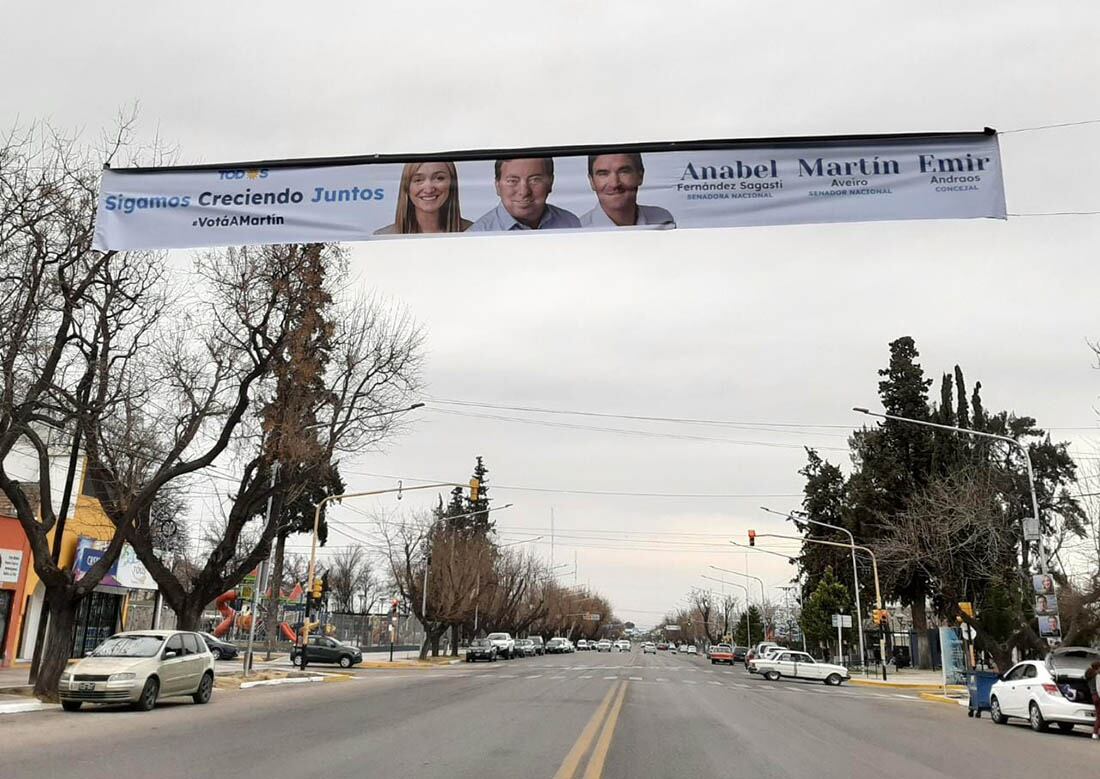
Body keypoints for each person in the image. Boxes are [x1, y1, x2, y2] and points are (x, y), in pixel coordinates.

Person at [468, 158, 580, 231]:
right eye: (512, 181)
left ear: (550, 183)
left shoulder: (570, 223)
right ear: (497, 186)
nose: (524, 192)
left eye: (535, 180)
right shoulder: (476, 234)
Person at [374, 161, 471, 234]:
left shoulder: (474, 232)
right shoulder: (383, 237)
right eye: (418, 180)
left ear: (451, 184)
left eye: (439, 178)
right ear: (407, 187)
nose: (429, 189)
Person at [580, 153, 675, 228]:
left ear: (640, 176)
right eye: (603, 174)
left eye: (624, 172)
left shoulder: (662, 219)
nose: (614, 184)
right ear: (592, 181)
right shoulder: (579, 229)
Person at [1087, 661, 1100, 739]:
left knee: (1098, 715)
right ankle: (1095, 733)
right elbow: (1099, 688)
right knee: (1099, 717)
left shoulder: (1089, 676)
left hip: (1093, 696)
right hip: (1098, 696)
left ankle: (1096, 733)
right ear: (1098, 667)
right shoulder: (1097, 676)